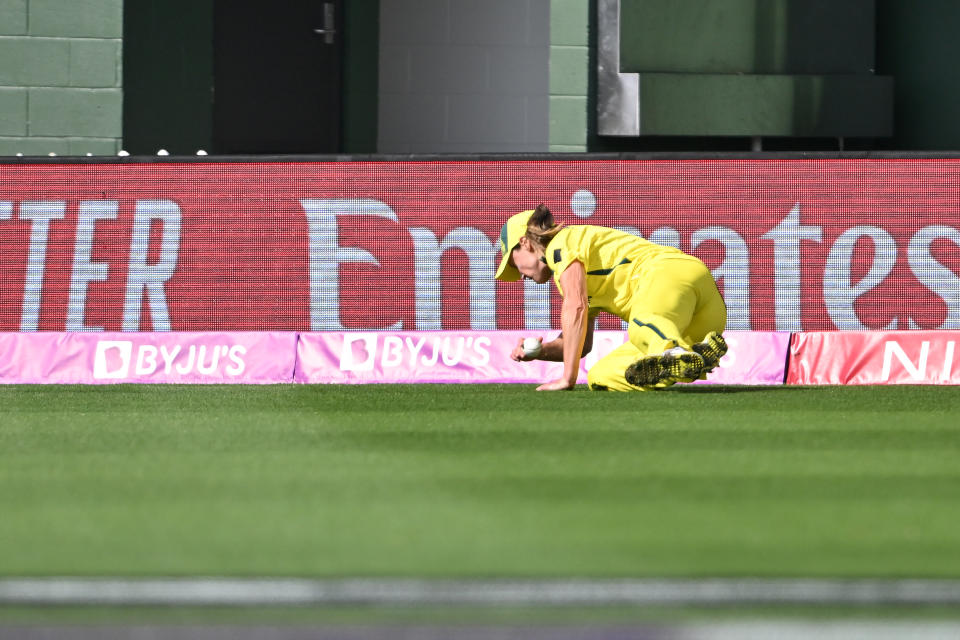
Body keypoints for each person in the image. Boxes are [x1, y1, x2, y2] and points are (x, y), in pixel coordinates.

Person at [495, 204, 728, 391]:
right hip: (698, 318)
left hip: (670, 273)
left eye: (512, 264)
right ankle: (694, 356)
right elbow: (579, 345)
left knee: (641, 323)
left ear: (525, 242)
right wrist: (539, 351)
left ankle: (673, 351)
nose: (518, 275)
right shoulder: (565, 271)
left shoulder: (560, 245)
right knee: (602, 376)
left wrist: (567, 378)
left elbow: (576, 307)